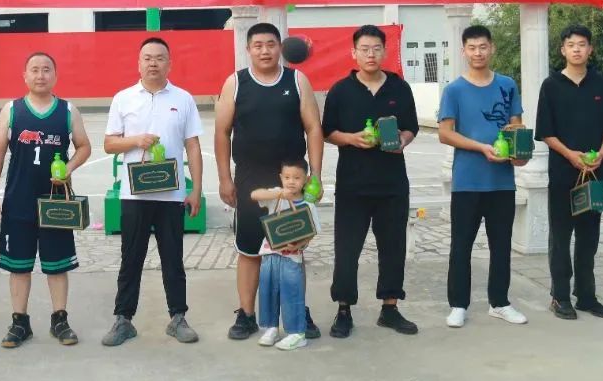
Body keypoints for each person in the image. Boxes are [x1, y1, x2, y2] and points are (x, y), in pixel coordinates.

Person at [215, 22, 324, 341]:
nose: (265, 51)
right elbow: (222, 132)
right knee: (250, 251)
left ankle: (297, 312)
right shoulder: (236, 83)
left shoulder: (297, 80)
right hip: (250, 179)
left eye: (271, 44)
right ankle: (246, 314)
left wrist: (316, 175)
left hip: (291, 181)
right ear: (248, 49)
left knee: (292, 248)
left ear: (280, 47)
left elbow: (313, 128)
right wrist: (224, 178)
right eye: (258, 45)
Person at [101, 37, 203, 347]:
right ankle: (123, 319)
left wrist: (196, 189)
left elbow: (193, 146)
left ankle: (178, 317)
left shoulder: (183, 99)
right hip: (134, 195)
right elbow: (109, 144)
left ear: (169, 63)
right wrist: (136, 141)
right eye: (147, 58)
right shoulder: (123, 98)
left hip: (172, 195)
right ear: (139, 63)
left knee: (173, 258)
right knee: (131, 257)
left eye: (159, 58)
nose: (153, 63)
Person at [0, 52, 92, 348]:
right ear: (25, 75)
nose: (40, 75)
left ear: (55, 75)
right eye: (34, 69)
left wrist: (68, 168)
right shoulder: (11, 110)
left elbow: (84, 146)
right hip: (18, 199)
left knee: (57, 264)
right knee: (18, 265)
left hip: (55, 202)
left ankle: (60, 320)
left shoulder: (68, 110)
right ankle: (20, 322)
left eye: (46, 70)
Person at [322, 24, 419, 338]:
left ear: (385, 51)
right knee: (347, 249)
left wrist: (402, 141)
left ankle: (390, 308)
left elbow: (412, 127)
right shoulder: (341, 90)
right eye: (364, 49)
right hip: (353, 184)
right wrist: (351, 139)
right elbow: (327, 131)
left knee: (393, 247)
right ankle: (344, 309)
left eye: (376, 48)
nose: (371, 54)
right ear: (354, 53)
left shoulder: (399, 88)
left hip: (392, 183)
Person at [438, 25, 529, 329]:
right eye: (472, 48)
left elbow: (516, 127)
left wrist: (519, 154)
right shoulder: (454, 90)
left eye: (483, 47)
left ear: (492, 48)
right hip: (467, 181)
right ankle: (458, 305)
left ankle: (499, 302)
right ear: (464, 51)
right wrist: (480, 147)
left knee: (501, 245)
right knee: (461, 246)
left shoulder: (507, 85)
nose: (478, 53)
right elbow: (445, 133)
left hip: (502, 182)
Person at [536, 25, 603, 320]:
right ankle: (560, 296)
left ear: (590, 49)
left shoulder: (602, 85)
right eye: (571, 44)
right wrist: (570, 155)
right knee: (561, 236)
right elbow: (546, 132)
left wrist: (600, 154)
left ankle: (586, 296)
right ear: (563, 50)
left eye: (582, 44)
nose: (577, 49)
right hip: (564, 173)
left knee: (589, 237)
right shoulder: (551, 86)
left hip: (596, 174)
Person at [251, 159, 316, 351]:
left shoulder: (308, 204)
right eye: (287, 177)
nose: (291, 182)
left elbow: (311, 232)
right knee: (268, 291)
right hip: (269, 254)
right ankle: (271, 327)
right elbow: (254, 195)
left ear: (305, 180)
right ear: (281, 178)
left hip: (291, 257)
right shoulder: (275, 195)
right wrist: (279, 193)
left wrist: (299, 244)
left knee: (291, 293)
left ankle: (297, 333)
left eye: (297, 178)